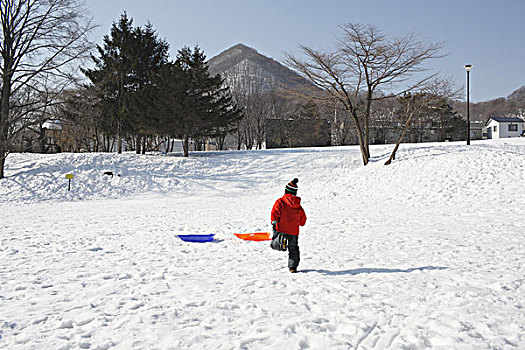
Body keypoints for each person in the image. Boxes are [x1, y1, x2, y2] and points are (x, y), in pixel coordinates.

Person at [271, 178, 307, 273]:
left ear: (286, 191)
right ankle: (292, 267)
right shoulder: (298, 206)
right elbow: (303, 220)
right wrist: (300, 223)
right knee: (293, 248)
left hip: (281, 228)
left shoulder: (280, 202)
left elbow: (275, 212)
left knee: (274, 241)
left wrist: (274, 222)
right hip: (293, 231)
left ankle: (280, 241)